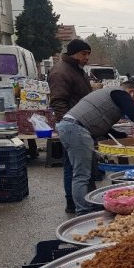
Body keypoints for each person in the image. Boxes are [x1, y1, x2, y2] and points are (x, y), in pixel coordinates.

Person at [56, 80, 134, 215]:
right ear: (131, 92)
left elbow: (105, 128)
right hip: (76, 129)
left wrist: (123, 136)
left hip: (70, 127)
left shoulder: (109, 95)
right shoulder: (120, 93)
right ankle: (83, 211)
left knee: (84, 172)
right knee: (81, 174)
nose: (133, 103)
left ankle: (89, 206)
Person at [48, 39, 93, 214]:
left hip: (78, 123)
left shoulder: (76, 69)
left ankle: (76, 201)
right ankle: (76, 204)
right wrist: (66, 124)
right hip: (72, 124)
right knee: (76, 169)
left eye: (88, 53)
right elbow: (59, 101)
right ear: (73, 53)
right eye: (84, 53)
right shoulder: (61, 72)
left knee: (74, 165)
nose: (87, 57)